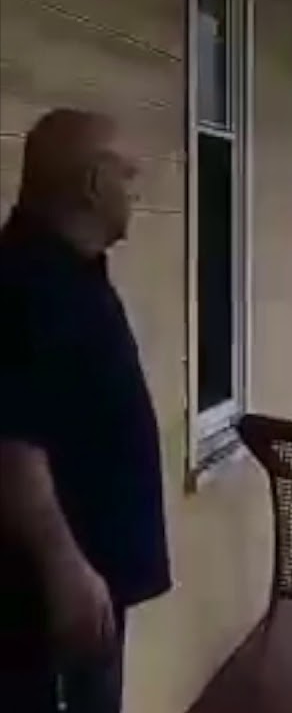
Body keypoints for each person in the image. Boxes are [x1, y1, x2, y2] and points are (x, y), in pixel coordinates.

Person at [0, 109, 170, 712]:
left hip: (89, 578)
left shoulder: (70, 272)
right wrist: (63, 565)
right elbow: (12, 442)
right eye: (127, 173)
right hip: (48, 599)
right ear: (94, 184)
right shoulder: (27, 284)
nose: (137, 187)